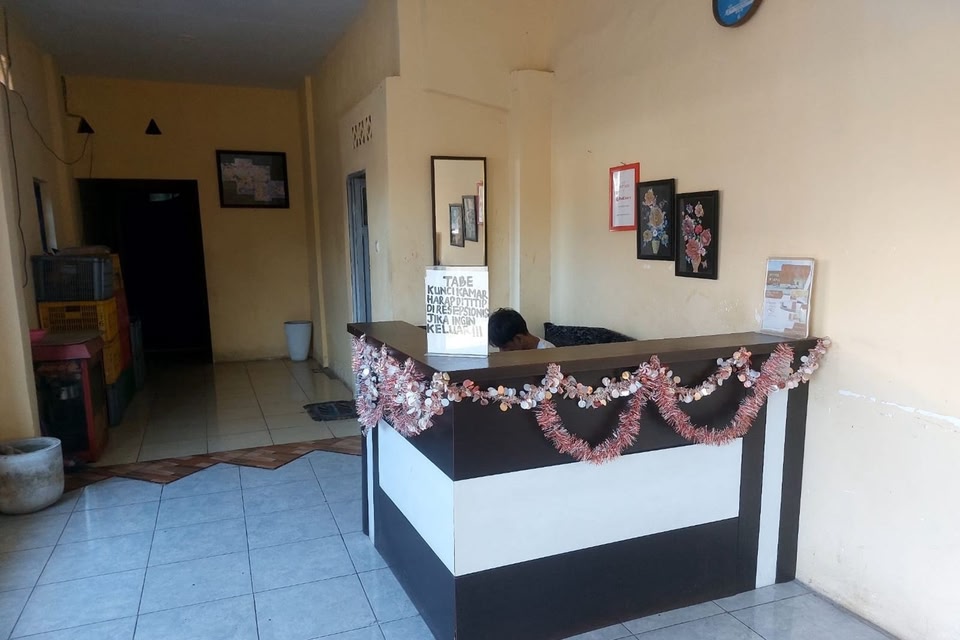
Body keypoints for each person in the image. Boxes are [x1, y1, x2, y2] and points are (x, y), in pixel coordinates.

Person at [488, 308, 555, 351]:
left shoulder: (549, 354)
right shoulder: (516, 356)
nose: (501, 352)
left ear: (518, 339)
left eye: (504, 347)